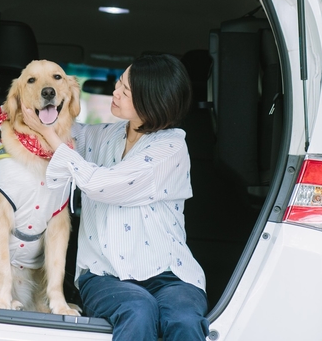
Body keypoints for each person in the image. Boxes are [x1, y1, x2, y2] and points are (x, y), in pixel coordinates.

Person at [21, 54, 209, 341]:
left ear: (152, 100)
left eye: (126, 90)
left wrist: (51, 136)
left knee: (183, 319)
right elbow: (70, 134)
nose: (115, 92)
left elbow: (102, 185)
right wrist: (34, 113)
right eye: (119, 82)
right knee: (138, 310)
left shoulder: (171, 148)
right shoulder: (107, 135)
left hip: (171, 274)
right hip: (103, 273)